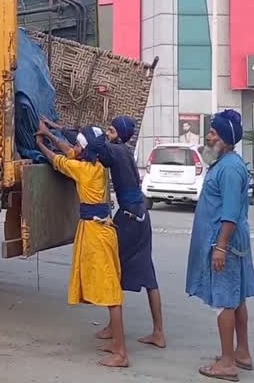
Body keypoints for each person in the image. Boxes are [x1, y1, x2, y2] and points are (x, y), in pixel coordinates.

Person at [35, 121, 128, 368]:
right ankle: (116, 341)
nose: (74, 146)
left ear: (85, 150)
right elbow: (69, 151)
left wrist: (41, 144)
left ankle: (121, 352)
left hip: (97, 233)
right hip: (103, 229)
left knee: (111, 294)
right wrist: (50, 135)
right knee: (111, 290)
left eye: (78, 143)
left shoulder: (83, 170)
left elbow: (59, 160)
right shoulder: (97, 166)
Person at [186, 109, 254, 382]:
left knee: (224, 301)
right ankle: (242, 352)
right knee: (236, 299)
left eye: (213, 132)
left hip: (224, 242)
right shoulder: (226, 163)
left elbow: (229, 213)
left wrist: (221, 247)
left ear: (225, 139)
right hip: (226, 241)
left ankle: (228, 363)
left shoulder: (230, 170)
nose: (208, 136)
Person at [94, 116, 166, 350]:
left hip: (128, 218)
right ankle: (158, 332)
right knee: (149, 275)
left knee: (111, 269)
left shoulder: (113, 150)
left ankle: (115, 332)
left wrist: (56, 132)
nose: (108, 132)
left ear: (120, 135)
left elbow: (91, 145)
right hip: (142, 215)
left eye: (111, 130)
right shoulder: (126, 150)